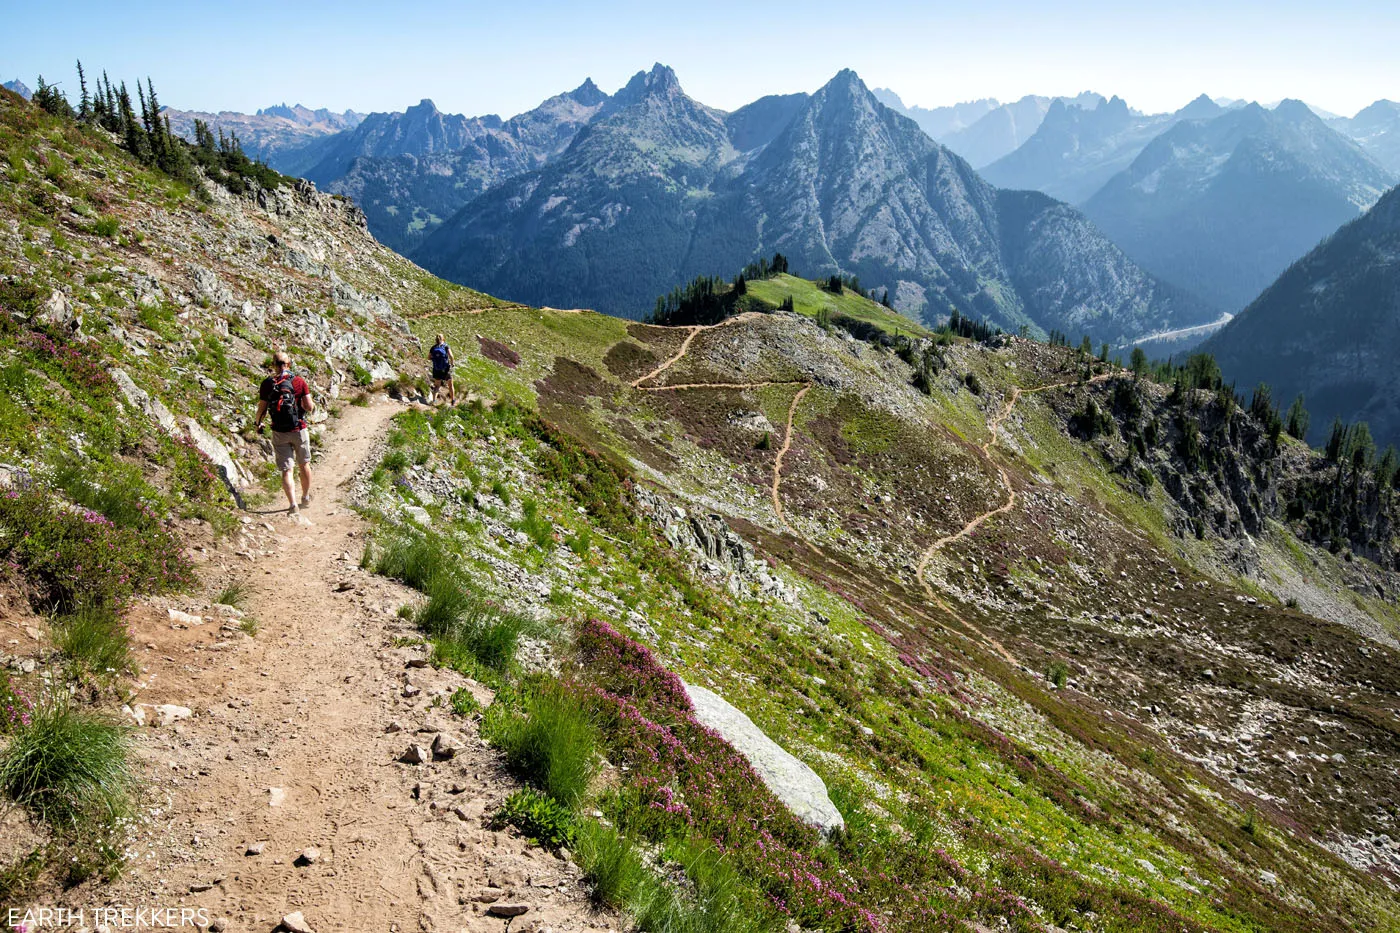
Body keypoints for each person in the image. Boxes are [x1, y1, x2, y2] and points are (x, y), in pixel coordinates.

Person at [254, 351, 315, 514]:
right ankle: (306, 496)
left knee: (287, 470)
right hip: (299, 428)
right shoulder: (299, 381)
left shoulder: (267, 384)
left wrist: (257, 424)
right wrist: (311, 408)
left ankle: (293, 504)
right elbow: (309, 406)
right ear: (289, 364)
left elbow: (262, 408)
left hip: (279, 431)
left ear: (273, 365)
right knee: (304, 464)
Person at [429, 334, 456, 406]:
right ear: (443, 339)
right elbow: (451, 356)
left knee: (437, 386)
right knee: (450, 385)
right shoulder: (446, 346)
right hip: (445, 369)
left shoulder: (433, 347)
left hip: (436, 369)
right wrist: (452, 363)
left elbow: (429, 357)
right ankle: (453, 400)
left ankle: (434, 401)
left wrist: (435, 360)